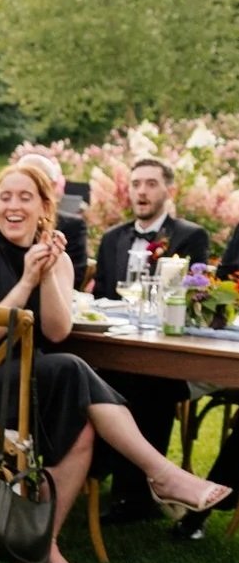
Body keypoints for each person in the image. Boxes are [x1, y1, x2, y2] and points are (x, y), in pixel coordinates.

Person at [0, 161, 228, 563]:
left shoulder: (51, 256)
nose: (13, 206)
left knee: (83, 430)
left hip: (33, 381)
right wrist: (25, 281)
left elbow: (57, 330)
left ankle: (45, 545)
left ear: (44, 208)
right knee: (73, 370)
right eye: (6, 197)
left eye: (26, 197)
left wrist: (51, 274)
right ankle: (161, 473)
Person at [88, 156, 211, 525]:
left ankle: (133, 493)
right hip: (116, 346)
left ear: (168, 191)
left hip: (167, 351)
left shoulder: (190, 236)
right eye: (136, 183)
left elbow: (189, 300)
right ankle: (111, 477)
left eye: (151, 184)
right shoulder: (112, 238)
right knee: (105, 381)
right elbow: (102, 300)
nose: (141, 191)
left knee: (148, 383)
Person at [11, 145, 89, 286]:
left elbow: (75, 280)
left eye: (36, 180)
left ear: (51, 186)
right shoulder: (3, 224)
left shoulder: (72, 226)